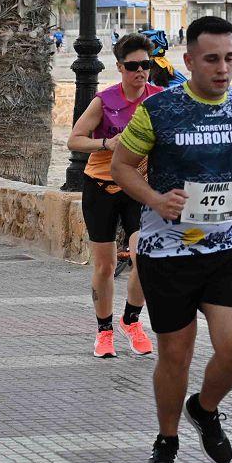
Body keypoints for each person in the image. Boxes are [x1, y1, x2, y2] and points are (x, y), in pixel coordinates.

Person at [112, 16, 232, 463]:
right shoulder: (159, 110)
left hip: (224, 248)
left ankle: (204, 408)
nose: (223, 68)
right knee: (176, 355)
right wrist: (155, 199)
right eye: (212, 59)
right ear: (189, 60)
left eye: (230, 58)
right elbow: (121, 166)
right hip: (165, 253)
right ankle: (167, 441)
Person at [67, 34, 161, 359]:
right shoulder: (104, 101)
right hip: (101, 188)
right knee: (105, 267)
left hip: (137, 188)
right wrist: (108, 144)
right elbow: (74, 140)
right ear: (120, 67)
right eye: (133, 66)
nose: (140, 72)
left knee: (145, 259)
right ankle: (104, 332)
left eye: (146, 65)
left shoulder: (159, 100)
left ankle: (131, 321)